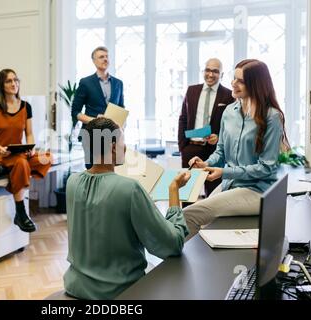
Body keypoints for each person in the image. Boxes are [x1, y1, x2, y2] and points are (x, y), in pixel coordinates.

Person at [63, 118, 190, 300]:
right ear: (113, 147)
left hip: (76, 287)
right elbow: (171, 245)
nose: (125, 148)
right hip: (120, 292)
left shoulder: (72, 182)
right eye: (124, 142)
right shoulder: (130, 189)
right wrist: (174, 190)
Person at [183, 59, 289, 240]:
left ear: (256, 85)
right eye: (234, 78)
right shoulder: (230, 111)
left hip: (257, 191)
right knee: (198, 220)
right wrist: (206, 163)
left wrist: (224, 172)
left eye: (240, 81)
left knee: (188, 214)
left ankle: (177, 265)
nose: (233, 83)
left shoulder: (272, 117)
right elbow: (221, 151)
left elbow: (266, 168)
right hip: (230, 186)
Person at [0, 69, 52, 233]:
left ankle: (13, 171)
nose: (14, 84)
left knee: (46, 157)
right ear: (2, 85)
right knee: (21, 163)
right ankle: (21, 213)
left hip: (17, 153)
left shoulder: (26, 106)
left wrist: (31, 148)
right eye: (9, 81)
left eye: (16, 80)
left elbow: (29, 133)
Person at [178, 58, 234, 196]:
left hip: (214, 151)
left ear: (221, 74)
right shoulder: (192, 91)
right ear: (203, 71)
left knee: (213, 193)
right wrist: (182, 147)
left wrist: (219, 137)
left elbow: (231, 125)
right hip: (191, 148)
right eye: (208, 70)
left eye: (215, 71)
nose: (210, 74)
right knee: (187, 193)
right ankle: (185, 217)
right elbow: (183, 119)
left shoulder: (228, 95)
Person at [71, 46, 124, 169]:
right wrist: (95, 120)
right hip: (91, 134)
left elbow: (121, 108)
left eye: (107, 56)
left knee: (112, 171)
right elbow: (75, 112)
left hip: (113, 135)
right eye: (101, 57)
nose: (105, 59)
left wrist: (122, 128)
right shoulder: (85, 82)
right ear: (94, 61)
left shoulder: (118, 83)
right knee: (93, 171)